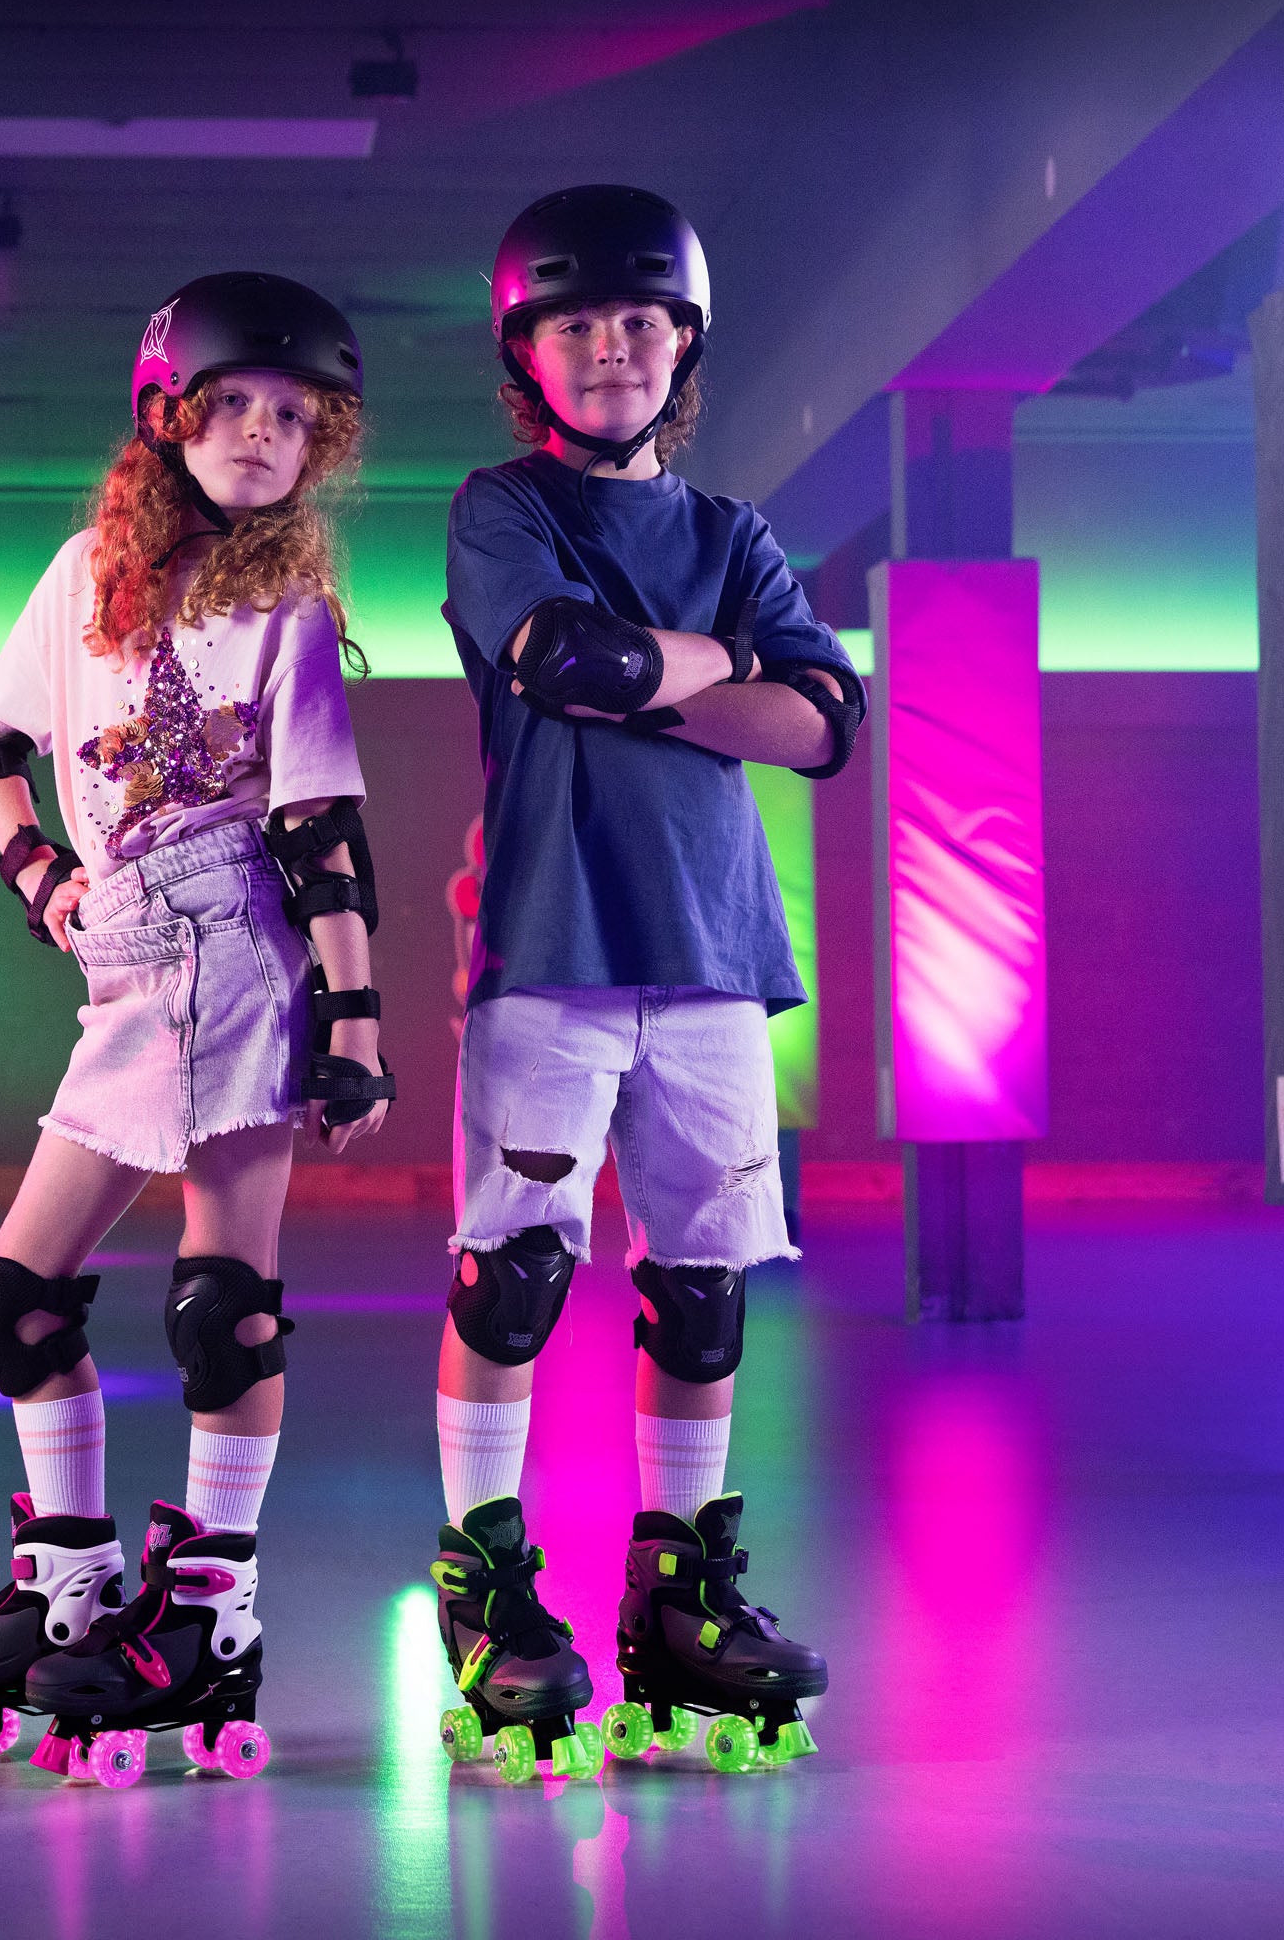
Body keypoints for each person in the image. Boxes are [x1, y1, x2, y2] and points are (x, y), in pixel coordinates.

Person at [0, 271, 393, 1788]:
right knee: (14, 1298)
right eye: (231, 405)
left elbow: (321, 827)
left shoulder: (286, 609)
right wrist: (36, 868)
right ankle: (72, 1587)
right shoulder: (81, 579)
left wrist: (356, 1018)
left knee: (220, 1304)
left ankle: (209, 1616)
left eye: (292, 418)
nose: (260, 435)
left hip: (239, 943)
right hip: (123, 957)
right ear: (166, 418)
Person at [429, 186, 863, 1783]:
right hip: (549, 942)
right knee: (515, 1277)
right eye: (575, 323)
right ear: (525, 353)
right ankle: (485, 1588)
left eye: (638, 320)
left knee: (703, 1287)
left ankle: (678, 1603)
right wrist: (728, 668)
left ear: (683, 344)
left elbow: (825, 724)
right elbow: (559, 658)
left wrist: (657, 673)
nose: (609, 346)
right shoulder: (503, 509)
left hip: (712, 953)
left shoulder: (732, 533)